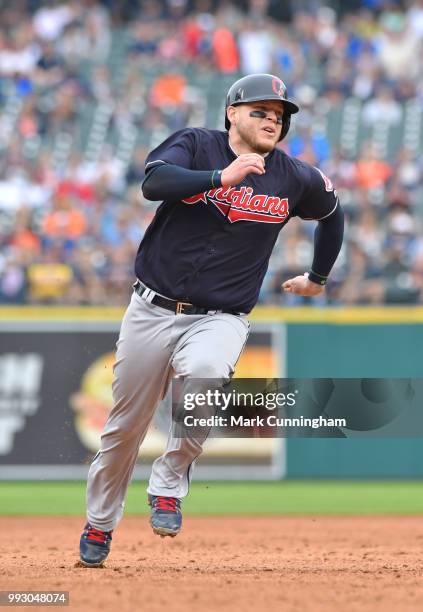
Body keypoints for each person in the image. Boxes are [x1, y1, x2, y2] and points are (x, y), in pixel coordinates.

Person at [79, 73, 344, 567]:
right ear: (232, 113)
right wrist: (217, 178)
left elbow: (332, 214)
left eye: (279, 115)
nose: (272, 120)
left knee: (203, 380)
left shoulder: (293, 177)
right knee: (124, 429)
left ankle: (168, 483)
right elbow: (154, 183)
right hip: (151, 310)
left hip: (221, 316)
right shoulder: (195, 145)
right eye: (261, 111)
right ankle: (99, 523)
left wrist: (318, 277)